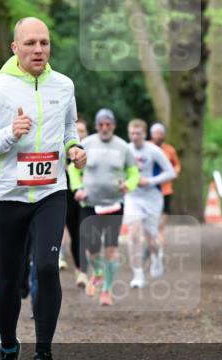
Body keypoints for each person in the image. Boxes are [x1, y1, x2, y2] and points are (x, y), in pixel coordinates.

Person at [0, 17, 86, 360]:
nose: (39, 50)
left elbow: (69, 129)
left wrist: (74, 148)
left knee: (48, 268)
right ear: (15, 48)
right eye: (31, 43)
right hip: (8, 197)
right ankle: (8, 348)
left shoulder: (64, 85)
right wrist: (9, 134)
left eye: (45, 43)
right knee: (10, 278)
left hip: (51, 192)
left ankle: (44, 355)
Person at [72, 108, 139, 306]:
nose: (104, 128)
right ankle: (98, 271)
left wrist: (129, 184)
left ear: (114, 126)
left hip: (114, 204)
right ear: (96, 125)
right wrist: (77, 187)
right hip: (90, 204)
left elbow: (134, 173)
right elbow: (72, 169)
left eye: (108, 124)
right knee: (91, 249)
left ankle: (107, 290)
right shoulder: (86, 143)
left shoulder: (123, 147)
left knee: (111, 250)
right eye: (101, 124)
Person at [124, 119, 176, 288]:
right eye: (132, 133)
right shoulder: (125, 150)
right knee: (133, 233)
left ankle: (157, 255)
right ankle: (138, 275)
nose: (135, 136)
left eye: (138, 133)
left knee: (150, 236)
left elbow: (171, 172)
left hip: (153, 196)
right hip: (133, 197)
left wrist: (151, 181)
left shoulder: (154, 151)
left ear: (145, 134)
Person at [149, 122, 181, 258]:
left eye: (160, 134)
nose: (158, 136)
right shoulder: (146, 148)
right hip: (149, 190)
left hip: (165, 190)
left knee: (162, 220)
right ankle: (151, 242)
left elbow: (177, 165)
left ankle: (159, 249)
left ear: (164, 135)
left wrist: (174, 173)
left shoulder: (169, 150)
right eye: (155, 134)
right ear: (151, 135)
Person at [65, 118, 90, 291]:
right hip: (61, 195)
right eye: (76, 130)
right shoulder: (61, 148)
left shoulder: (89, 150)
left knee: (78, 234)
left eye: (81, 131)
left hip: (81, 197)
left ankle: (82, 270)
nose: (79, 134)